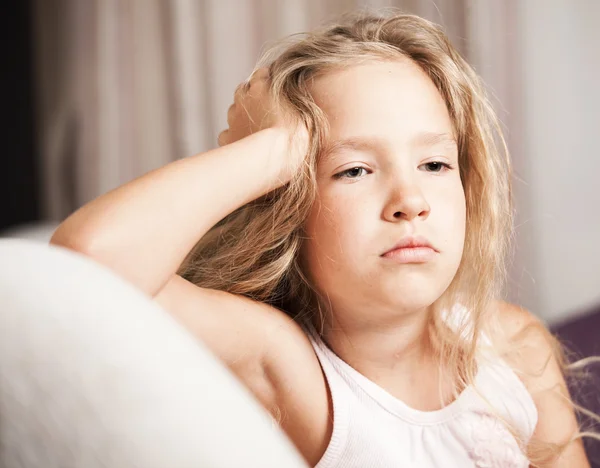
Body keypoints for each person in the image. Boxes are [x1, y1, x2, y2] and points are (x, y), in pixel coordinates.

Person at [50, 10, 596, 467]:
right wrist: (274, 147)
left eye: (434, 162)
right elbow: (85, 268)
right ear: (288, 209)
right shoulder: (292, 372)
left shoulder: (514, 349)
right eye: (354, 170)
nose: (411, 199)